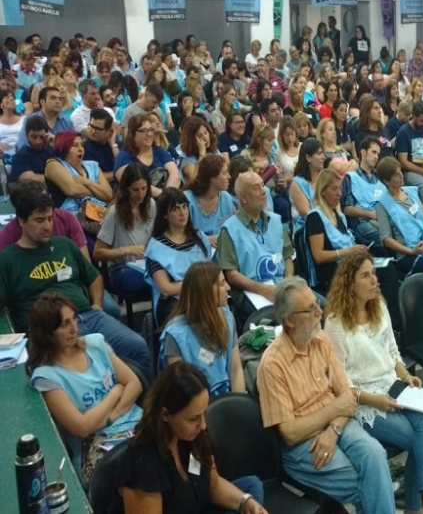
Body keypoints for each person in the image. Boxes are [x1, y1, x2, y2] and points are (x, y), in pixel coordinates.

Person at [257, 277, 395, 512]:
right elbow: (290, 433)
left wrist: (334, 429)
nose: (319, 311)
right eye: (310, 309)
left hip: (338, 425)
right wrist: (334, 410)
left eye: (317, 304)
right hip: (303, 444)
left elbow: (348, 399)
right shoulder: (272, 365)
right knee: (366, 482)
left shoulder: (320, 340)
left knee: (376, 456)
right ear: (290, 320)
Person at [323, 251, 423, 514]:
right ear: (349, 283)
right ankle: (420, 506)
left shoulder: (379, 306)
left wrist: (405, 375)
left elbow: (392, 353)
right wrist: (373, 399)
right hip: (363, 401)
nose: (374, 280)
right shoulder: (335, 324)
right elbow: (338, 385)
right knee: (417, 440)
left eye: (373, 273)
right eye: (365, 276)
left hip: (393, 386)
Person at [0, 189, 151, 376]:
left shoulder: (64, 245)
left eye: (49, 218)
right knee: (83, 366)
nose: (47, 225)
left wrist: (96, 304)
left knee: (138, 347)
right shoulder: (7, 260)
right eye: (39, 220)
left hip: (89, 316)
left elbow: (94, 276)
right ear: (21, 221)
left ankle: (143, 403)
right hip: (50, 331)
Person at [112, 361, 267, 514]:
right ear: (165, 414)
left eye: (204, 414)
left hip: (197, 506)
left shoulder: (195, 435)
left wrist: (245, 502)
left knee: (252, 487)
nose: (203, 425)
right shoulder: (142, 462)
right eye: (193, 419)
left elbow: (214, 486)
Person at [27, 293, 143, 486]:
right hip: (96, 446)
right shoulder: (46, 377)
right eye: (64, 324)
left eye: (74, 318)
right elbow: (81, 428)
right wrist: (115, 393)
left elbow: (135, 384)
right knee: (143, 470)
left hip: (136, 425)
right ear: (47, 333)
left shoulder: (95, 344)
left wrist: (104, 417)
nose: (74, 328)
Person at [218, 171, 295, 325]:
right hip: (251, 291)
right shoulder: (230, 230)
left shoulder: (275, 221)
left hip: (280, 284)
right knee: (281, 319)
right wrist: (262, 290)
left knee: (317, 305)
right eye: (256, 188)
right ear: (243, 198)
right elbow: (231, 274)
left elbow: (287, 258)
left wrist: (286, 282)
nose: (263, 191)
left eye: (262, 185)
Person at [159, 262, 244, 397]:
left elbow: (235, 370)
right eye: (222, 284)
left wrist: (239, 404)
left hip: (226, 402)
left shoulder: (227, 318)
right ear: (205, 292)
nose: (228, 287)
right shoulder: (175, 335)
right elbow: (182, 391)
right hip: (194, 408)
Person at [375, 156, 423, 285]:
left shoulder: (411, 192)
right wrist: (411, 251)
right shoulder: (382, 204)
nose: (401, 176)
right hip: (407, 252)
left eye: (400, 172)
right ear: (386, 181)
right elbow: (387, 239)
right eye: (396, 174)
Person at [145, 189, 212, 325]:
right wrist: (199, 284)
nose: (182, 213)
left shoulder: (200, 238)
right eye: (175, 209)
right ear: (165, 214)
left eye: (185, 207)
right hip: (172, 301)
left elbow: (212, 273)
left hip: (202, 295)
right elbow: (166, 288)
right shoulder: (156, 247)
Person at [93, 163, 154, 298]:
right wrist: (127, 250)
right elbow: (97, 253)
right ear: (126, 189)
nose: (141, 194)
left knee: (164, 275)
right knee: (158, 279)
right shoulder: (114, 212)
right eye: (135, 190)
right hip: (121, 269)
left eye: (144, 189)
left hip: (146, 264)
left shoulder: (151, 205)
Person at [44, 130, 112, 220]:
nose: (80, 149)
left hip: (100, 214)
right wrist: (99, 191)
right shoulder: (54, 164)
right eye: (75, 145)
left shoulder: (93, 166)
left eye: (82, 145)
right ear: (64, 147)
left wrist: (84, 181)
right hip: (73, 218)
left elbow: (109, 194)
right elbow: (73, 190)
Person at [115, 114, 181, 198]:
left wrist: (168, 198)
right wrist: (163, 197)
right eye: (144, 131)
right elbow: (135, 184)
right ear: (132, 133)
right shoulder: (123, 157)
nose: (149, 134)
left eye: (151, 130)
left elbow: (175, 174)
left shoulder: (159, 151)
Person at [342, 136, 388, 246]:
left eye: (378, 154)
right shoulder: (350, 177)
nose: (376, 157)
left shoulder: (380, 178)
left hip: (383, 220)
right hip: (362, 223)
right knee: (387, 238)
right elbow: (347, 209)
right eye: (373, 152)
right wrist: (371, 214)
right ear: (363, 152)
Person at [184, 154, 236, 245]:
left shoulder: (226, 198)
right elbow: (179, 235)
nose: (229, 177)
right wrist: (206, 239)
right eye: (224, 173)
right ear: (212, 178)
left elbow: (233, 229)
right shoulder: (187, 200)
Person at [396, 101, 423, 195]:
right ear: (414, 116)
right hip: (410, 171)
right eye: (422, 121)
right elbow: (403, 162)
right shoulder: (404, 132)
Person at [290, 138, 325, 231]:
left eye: (323, 153)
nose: (323, 157)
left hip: (326, 223)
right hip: (306, 229)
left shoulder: (324, 178)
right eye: (319, 154)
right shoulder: (297, 183)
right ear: (308, 158)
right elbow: (308, 215)